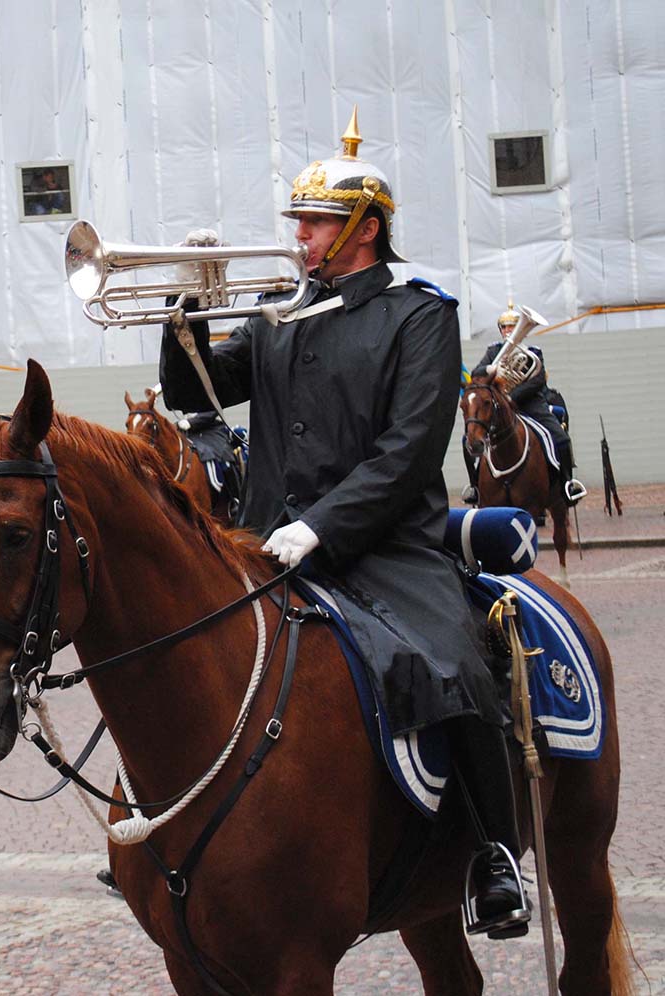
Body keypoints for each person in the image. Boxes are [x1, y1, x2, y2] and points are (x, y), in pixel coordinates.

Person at [159, 109, 529, 938]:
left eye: (315, 220)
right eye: (297, 219)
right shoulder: (282, 310)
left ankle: (493, 856)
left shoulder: (419, 312)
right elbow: (195, 393)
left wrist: (322, 528)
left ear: (365, 228)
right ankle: (168, 837)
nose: (298, 234)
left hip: (385, 544)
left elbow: (406, 453)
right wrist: (182, 310)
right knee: (183, 654)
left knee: (452, 660)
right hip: (263, 536)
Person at [461, 303, 586, 507]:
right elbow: (476, 375)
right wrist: (490, 368)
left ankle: (567, 484)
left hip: (530, 405)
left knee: (560, 438)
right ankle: (475, 487)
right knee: (468, 440)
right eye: (505, 327)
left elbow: (537, 380)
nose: (508, 331)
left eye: (513, 326)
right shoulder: (493, 352)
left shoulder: (534, 351)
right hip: (500, 410)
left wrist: (513, 398)